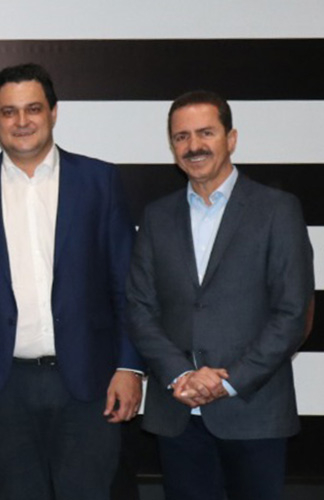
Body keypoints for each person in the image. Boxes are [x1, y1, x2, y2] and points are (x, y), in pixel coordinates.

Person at [0, 63, 144, 500]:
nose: (21, 121)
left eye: (33, 109)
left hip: (89, 383)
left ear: (53, 112)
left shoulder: (99, 181)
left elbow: (127, 285)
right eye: (9, 111)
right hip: (2, 386)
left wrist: (129, 367)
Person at [126, 90, 313, 500]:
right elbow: (140, 308)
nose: (193, 146)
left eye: (206, 133)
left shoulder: (277, 210)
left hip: (254, 412)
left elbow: (292, 313)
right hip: (178, 413)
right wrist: (181, 374)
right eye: (181, 137)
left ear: (231, 139)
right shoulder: (156, 217)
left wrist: (228, 382)